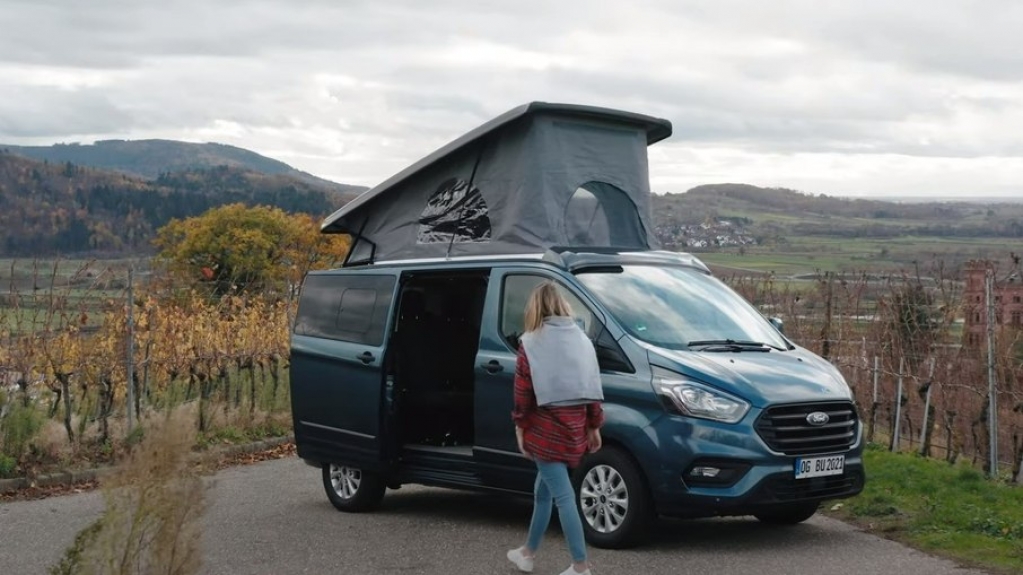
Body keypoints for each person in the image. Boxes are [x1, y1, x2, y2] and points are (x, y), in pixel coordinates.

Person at [506, 282, 604, 575]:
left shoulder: (530, 343)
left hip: (545, 431)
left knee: (563, 497)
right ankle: (527, 553)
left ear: (535, 308)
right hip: (574, 430)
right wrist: (594, 425)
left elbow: (523, 394)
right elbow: (592, 385)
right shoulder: (582, 340)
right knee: (543, 492)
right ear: (562, 305)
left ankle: (580, 566)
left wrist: (520, 427)